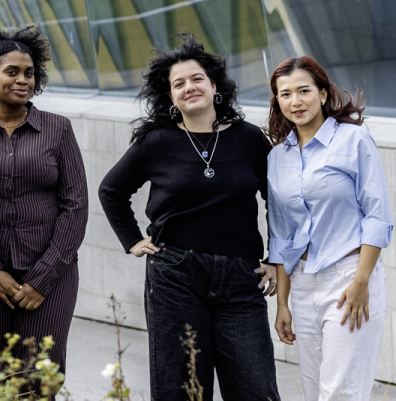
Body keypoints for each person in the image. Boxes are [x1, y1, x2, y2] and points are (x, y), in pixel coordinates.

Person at [98, 36, 281, 401]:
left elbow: (275, 201)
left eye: (196, 78)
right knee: (181, 390)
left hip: (241, 277)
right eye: (178, 84)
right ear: (171, 96)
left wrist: (276, 258)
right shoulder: (156, 142)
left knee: (255, 388)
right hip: (175, 276)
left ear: (214, 86)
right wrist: (133, 240)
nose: (188, 87)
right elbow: (111, 191)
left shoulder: (249, 139)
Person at [0, 27, 88, 371]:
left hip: (51, 277)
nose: (22, 80)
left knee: (38, 380)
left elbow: (76, 206)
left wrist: (42, 278)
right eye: (11, 72)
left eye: (29, 73)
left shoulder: (58, 129)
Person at [265, 56, 393, 401]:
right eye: (285, 93)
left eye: (304, 91)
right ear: (277, 101)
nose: (296, 101)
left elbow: (377, 218)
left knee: (341, 393)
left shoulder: (354, 141)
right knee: (315, 389)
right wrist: (283, 304)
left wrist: (361, 282)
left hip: (349, 277)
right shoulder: (277, 157)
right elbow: (281, 237)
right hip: (303, 282)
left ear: (322, 94)